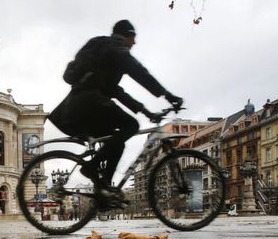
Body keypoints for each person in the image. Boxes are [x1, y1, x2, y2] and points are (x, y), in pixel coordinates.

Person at [48, 19, 183, 194]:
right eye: (133, 37)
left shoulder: (104, 56)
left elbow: (116, 91)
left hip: (80, 106)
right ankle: (91, 168)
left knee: (117, 142)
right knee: (131, 126)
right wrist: (167, 94)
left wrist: (145, 111)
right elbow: (140, 73)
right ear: (126, 35)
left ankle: (105, 189)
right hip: (89, 103)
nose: (134, 43)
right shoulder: (116, 49)